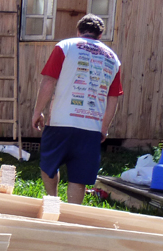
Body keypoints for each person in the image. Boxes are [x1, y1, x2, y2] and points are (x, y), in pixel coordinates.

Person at [31, 14, 123, 204]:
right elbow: (113, 97)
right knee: (79, 177)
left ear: (79, 31)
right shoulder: (113, 58)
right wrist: (104, 127)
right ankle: (72, 217)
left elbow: (49, 81)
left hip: (60, 121)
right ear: (100, 35)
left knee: (49, 165)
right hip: (91, 126)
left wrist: (37, 111)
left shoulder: (65, 46)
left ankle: (52, 202)